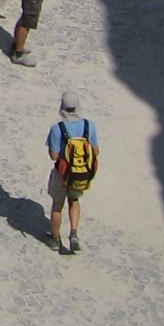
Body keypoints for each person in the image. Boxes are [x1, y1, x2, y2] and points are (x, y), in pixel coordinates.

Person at [45, 90, 100, 253]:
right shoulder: (89, 126)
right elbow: (96, 152)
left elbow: (54, 156)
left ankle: (55, 239)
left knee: (57, 206)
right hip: (81, 173)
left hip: (62, 173)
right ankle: (74, 233)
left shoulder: (58, 128)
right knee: (74, 201)